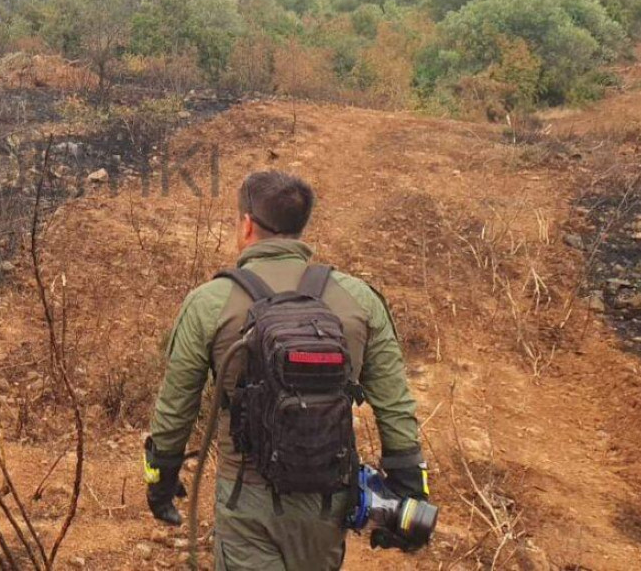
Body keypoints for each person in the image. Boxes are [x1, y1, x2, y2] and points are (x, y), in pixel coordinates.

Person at [144, 170, 428, 569]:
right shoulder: (358, 299)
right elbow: (395, 405)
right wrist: (410, 484)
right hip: (327, 501)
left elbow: (176, 408)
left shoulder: (210, 302)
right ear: (300, 228)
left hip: (246, 499)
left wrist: (160, 479)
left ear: (246, 225)